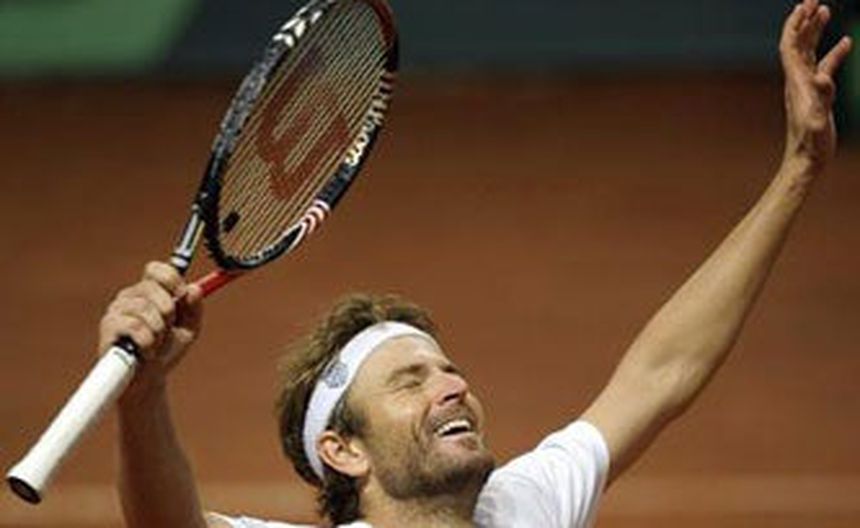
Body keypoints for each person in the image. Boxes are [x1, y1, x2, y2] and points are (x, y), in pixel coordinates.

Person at [104, 2, 852, 527]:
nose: (453, 385)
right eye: (409, 381)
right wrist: (143, 397)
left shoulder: (524, 507)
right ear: (344, 450)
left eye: (446, 369)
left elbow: (663, 370)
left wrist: (797, 170)